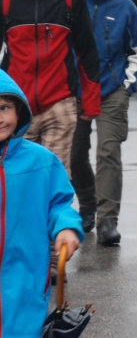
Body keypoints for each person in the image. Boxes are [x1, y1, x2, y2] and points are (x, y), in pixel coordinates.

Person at [0, 0, 102, 172]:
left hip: (60, 102)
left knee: (54, 176)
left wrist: (91, 101)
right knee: (18, 177)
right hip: (17, 103)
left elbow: (87, 50)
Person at [69, 0, 137, 247]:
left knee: (108, 153)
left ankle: (107, 220)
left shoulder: (125, 7)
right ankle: (88, 205)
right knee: (75, 155)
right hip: (75, 91)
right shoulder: (70, 2)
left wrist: (127, 86)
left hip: (112, 90)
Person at [0, 69, 84, 337]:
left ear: (19, 111)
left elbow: (59, 203)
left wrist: (66, 227)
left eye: (4, 107)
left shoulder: (41, 161)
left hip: (26, 277)